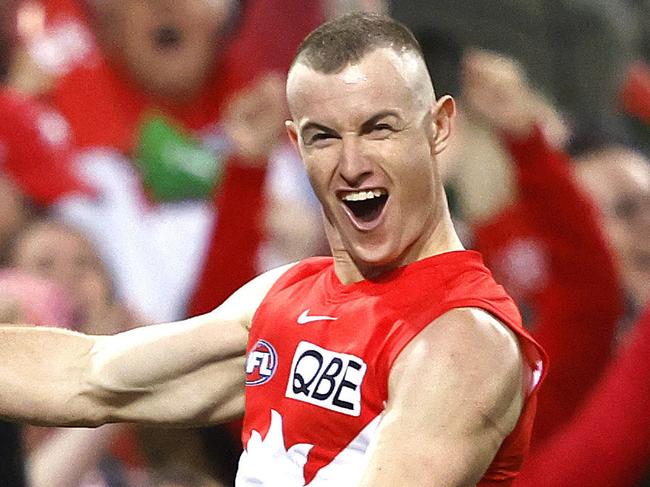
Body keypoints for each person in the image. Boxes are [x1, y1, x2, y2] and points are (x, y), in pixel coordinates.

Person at [0, 12, 546, 486]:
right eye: (324, 136)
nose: (351, 164)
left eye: (379, 129)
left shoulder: (462, 339)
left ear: (438, 127)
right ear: (295, 144)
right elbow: (90, 379)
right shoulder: (281, 299)